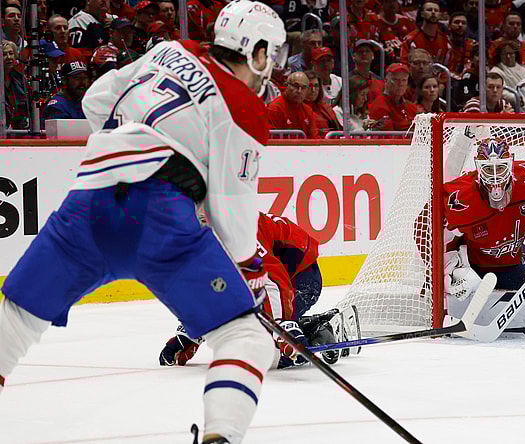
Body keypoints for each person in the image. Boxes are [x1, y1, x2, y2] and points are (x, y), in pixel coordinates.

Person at [0, 3, 287, 444]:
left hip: (89, 201)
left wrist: (123, 145)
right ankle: (222, 436)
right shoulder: (245, 108)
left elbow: (97, 100)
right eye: (272, 54)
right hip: (162, 218)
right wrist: (251, 270)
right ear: (256, 51)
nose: (272, 67)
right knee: (246, 338)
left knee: (15, 319)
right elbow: (234, 206)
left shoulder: (167, 52)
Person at [159, 213, 327, 369]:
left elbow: (271, 278)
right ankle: (303, 329)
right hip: (266, 282)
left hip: (300, 276)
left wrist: (281, 326)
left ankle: (315, 332)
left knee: (262, 354)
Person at [438, 136, 525, 306]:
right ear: (478, 168)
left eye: (501, 168)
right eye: (488, 169)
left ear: (511, 164)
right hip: (476, 262)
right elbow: (424, 231)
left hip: (512, 254)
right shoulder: (459, 198)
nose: (495, 177)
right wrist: (448, 267)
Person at [368, 63, 420, 131]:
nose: (400, 84)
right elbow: (389, 138)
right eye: (395, 80)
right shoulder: (379, 107)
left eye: (404, 80)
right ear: (386, 81)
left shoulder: (412, 107)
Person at [267, 71, 320, 138]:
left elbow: (315, 138)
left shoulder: (308, 111)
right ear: (286, 85)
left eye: (303, 87)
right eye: (296, 86)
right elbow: (272, 141)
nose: (299, 91)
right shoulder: (274, 109)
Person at [304, 70, 340, 135]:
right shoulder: (299, 108)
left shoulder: (326, 107)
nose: (313, 90)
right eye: (310, 86)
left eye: (316, 86)